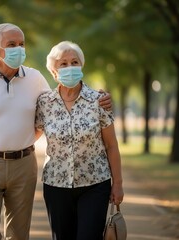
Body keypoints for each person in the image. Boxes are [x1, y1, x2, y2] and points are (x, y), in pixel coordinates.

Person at [0, 23, 112, 240]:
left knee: (18, 235)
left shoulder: (35, 79)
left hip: (23, 165)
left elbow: (58, 107)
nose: (18, 49)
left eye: (21, 44)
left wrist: (99, 97)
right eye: (11, 44)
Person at [34, 41, 124, 240]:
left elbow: (111, 145)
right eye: (63, 64)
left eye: (74, 62)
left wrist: (117, 183)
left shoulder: (98, 101)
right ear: (54, 71)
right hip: (56, 185)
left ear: (81, 66)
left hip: (95, 184)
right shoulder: (44, 103)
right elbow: (30, 135)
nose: (70, 67)